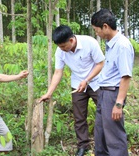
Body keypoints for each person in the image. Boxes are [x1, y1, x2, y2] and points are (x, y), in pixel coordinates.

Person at [39, 25, 105, 156]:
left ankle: (104, 144)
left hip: (97, 82)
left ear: (71, 40)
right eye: (59, 47)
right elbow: (58, 72)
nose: (62, 49)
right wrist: (49, 93)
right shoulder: (60, 52)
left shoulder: (89, 42)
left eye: (64, 46)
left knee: (104, 114)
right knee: (79, 117)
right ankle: (82, 146)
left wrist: (86, 80)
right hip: (77, 85)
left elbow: (100, 63)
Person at [91, 9, 134, 156]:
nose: (96, 33)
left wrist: (118, 104)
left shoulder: (122, 45)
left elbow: (126, 76)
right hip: (103, 92)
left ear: (105, 26)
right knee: (101, 134)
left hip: (113, 95)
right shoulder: (111, 44)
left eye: (96, 30)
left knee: (114, 137)